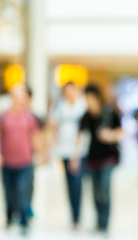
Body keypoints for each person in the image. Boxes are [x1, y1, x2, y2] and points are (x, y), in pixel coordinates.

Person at [0, 84, 46, 235]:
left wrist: (42, 154)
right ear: (11, 97)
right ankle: (9, 218)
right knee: (8, 191)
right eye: (17, 96)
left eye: (22, 97)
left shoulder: (30, 117)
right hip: (7, 162)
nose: (20, 100)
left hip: (25, 162)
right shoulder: (1, 116)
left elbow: (35, 137)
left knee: (23, 190)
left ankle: (24, 222)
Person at [71, 85, 122, 235]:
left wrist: (110, 135)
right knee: (94, 192)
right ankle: (99, 222)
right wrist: (75, 157)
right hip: (92, 159)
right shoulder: (86, 115)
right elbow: (79, 136)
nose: (88, 101)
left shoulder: (109, 112)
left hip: (108, 158)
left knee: (103, 190)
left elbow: (121, 131)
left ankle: (105, 223)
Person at [47, 81, 87, 228]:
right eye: (66, 91)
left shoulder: (83, 105)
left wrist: (76, 153)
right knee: (69, 184)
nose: (68, 93)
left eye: (71, 90)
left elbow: (84, 131)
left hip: (79, 151)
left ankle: (77, 216)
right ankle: (73, 215)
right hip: (63, 150)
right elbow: (52, 127)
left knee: (77, 183)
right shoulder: (58, 106)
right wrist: (48, 150)